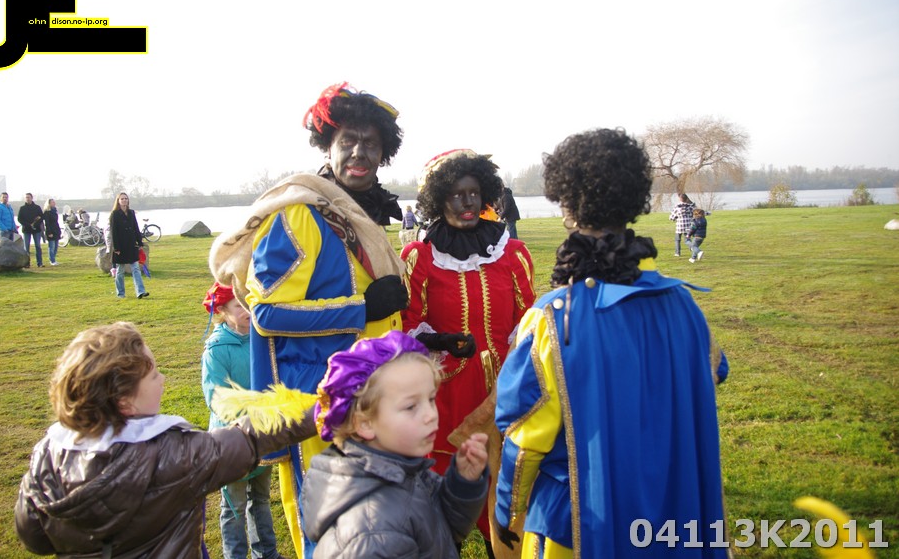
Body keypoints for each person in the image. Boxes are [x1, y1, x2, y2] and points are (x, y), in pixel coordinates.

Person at [493, 129, 727, 559]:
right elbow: (715, 369)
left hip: (576, 524)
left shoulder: (554, 318)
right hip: (674, 508)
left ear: (567, 208)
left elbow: (525, 435)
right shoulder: (685, 304)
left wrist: (507, 511)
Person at [209, 82, 409, 559]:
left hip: (375, 392)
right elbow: (265, 312)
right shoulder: (301, 214)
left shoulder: (363, 214)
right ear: (327, 147)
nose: (359, 153)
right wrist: (362, 309)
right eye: (348, 141)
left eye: (371, 144)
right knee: (330, 531)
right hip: (320, 403)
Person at [14, 321, 317, 557]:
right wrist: (324, 406)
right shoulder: (172, 455)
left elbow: (34, 538)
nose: (163, 379)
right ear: (124, 402)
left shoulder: (47, 455)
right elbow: (251, 439)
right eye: (153, 375)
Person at [401, 149, 536, 556]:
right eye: (456, 194)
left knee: (507, 499)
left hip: (506, 393)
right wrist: (440, 341)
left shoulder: (512, 253)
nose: (467, 202)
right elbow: (407, 325)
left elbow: (529, 320)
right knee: (447, 501)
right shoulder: (421, 258)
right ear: (438, 200)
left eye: (474, 192)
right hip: (448, 396)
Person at [301, 331, 489, 559]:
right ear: (364, 423)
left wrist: (463, 483)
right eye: (411, 407)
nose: (431, 414)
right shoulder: (373, 534)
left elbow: (441, 529)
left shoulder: (406, 469)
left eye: (431, 399)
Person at [201, 282, 285, 559]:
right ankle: (235, 555)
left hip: (263, 436)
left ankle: (267, 553)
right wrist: (244, 422)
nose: (247, 310)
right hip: (233, 440)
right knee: (234, 505)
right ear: (222, 310)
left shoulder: (263, 339)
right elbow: (216, 396)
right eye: (238, 305)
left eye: (248, 303)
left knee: (260, 498)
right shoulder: (216, 349)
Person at [107, 192, 149, 299]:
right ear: (118, 201)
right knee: (120, 271)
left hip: (131, 245)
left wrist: (139, 242)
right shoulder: (114, 214)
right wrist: (116, 248)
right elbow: (113, 232)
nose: (124, 200)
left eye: (126, 198)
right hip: (120, 246)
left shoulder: (131, 213)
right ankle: (120, 293)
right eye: (122, 199)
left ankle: (140, 291)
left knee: (136, 268)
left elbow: (135, 227)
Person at [18, 192, 45, 268]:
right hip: (26, 230)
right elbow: (20, 219)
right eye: (26, 197)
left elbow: (41, 217)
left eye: (28, 197)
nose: (27, 199)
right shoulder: (22, 208)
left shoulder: (37, 207)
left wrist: (35, 224)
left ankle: (39, 263)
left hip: (36, 230)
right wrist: (28, 224)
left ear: (32, 198)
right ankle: (27, 263)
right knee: (26, 247)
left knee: (38, 246)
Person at [668, 192, 695, 257]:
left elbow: (671, 217)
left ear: (680, 199)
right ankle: (691, 247)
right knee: (687, 239)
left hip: (679, 226)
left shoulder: (677, 207)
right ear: (686, 199)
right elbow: (693, 215)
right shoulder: (690, 207)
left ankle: (677, 253)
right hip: (687, 225)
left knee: (677, 240)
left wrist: (674, 218)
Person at [42, 198, 61, 266]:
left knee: (56, 246)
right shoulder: (47, 212)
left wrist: (59, 231)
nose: (54, 203)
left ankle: (54, 259)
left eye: (54, 202)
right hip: (50, 230)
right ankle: (52, 260)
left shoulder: (55, 211)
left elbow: (56, 222)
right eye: (52, 202)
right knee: (51, 246)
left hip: (56, 229)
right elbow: (47, 223)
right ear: (49, 204)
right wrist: (49, 232)